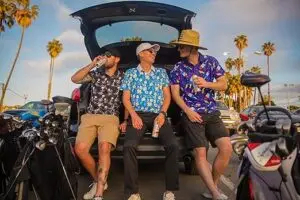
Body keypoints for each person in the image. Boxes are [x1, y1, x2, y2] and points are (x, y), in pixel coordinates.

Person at [170, 29, 232, 200]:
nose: (179, 49)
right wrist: (188, 111)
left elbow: (223, 85)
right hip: (191, 115)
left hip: (212, 112)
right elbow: (175, 95)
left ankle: (213, 185)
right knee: (200, 153)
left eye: (181, 46)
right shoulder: (177, 68)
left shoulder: (211, 62)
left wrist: (206, 83)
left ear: (192, 47)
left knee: (226, 148)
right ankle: (214, 193)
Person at [121, 43, 179, 200]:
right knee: (129, 146)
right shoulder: (130, 73)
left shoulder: (161, 73)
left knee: (173, 145)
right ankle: (133, 192)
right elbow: (125, 98)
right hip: (138, 114)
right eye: (150, 51)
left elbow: (167, 97)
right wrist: (133, 115)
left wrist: (162, 113)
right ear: (140, 54)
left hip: (158, 116)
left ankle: (170, 190)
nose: (154, 53)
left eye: (154, 52)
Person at [71, 48, 127, 200]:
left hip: (110, 118)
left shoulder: (123, 77)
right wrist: (92, 64)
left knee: (104, 148)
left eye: (108, 55)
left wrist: (126, 120)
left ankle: (99, 193)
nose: (105, 58)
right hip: (90, 116)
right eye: (104, 55)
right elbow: (74, 79)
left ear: (117, 59)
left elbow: (128, 100)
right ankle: (98, 180)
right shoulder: (96, 74)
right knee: (80, 150)